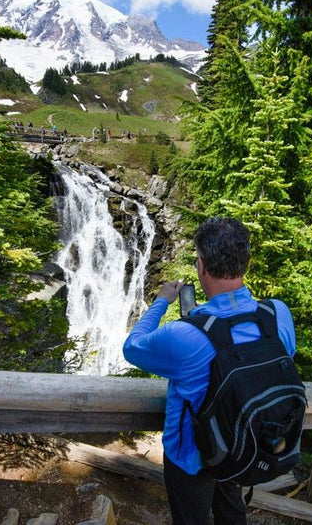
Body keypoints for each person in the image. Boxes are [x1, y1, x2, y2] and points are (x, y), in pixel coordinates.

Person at [123, 216, 296, 525]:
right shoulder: (277, 314)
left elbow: (133, 347)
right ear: (247, 262)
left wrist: (162, 301)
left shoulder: (185, 335)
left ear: (201, 265)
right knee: (232, 512)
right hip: (244, 442)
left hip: (191, 458)